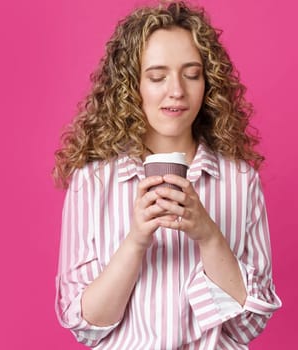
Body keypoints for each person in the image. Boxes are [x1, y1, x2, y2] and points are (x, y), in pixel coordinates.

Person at [52, 1, 281, 349]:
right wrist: (136, 241)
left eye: (191, 74)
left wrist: (208, 234)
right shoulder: (92, 183)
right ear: (132, 86)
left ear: (208, 82)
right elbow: (84, 325)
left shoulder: (240, 182)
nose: (177, 90)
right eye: (158, 76)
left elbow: (250, 324)